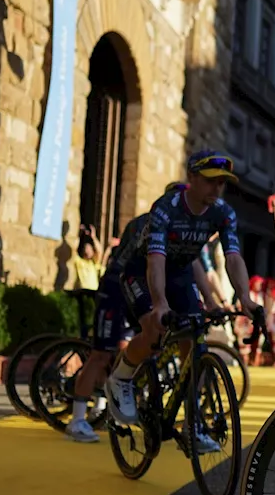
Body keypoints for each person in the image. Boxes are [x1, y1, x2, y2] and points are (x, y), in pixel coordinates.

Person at [103, 151, 261, 451]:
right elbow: (155, 260)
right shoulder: (167, 208)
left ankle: (192, 424)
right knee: (153, 327)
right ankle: (121, 378)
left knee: (196, 349)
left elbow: (232, 256)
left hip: (180, 275)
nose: (216, 189)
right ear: (192, 179)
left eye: (222, 184)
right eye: (210, 181)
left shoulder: (223, 213)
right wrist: (160, 303)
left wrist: (245, 298)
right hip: (141, 271)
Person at [65, 184, 223, 442]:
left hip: (149, 286)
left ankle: (124, 400)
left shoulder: (186, 229)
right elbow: (152, 263)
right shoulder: (148, 222)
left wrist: (210, 300)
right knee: (101, 355)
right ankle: (77, 420)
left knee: (156, 341)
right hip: (117, 288)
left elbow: (192, 264)